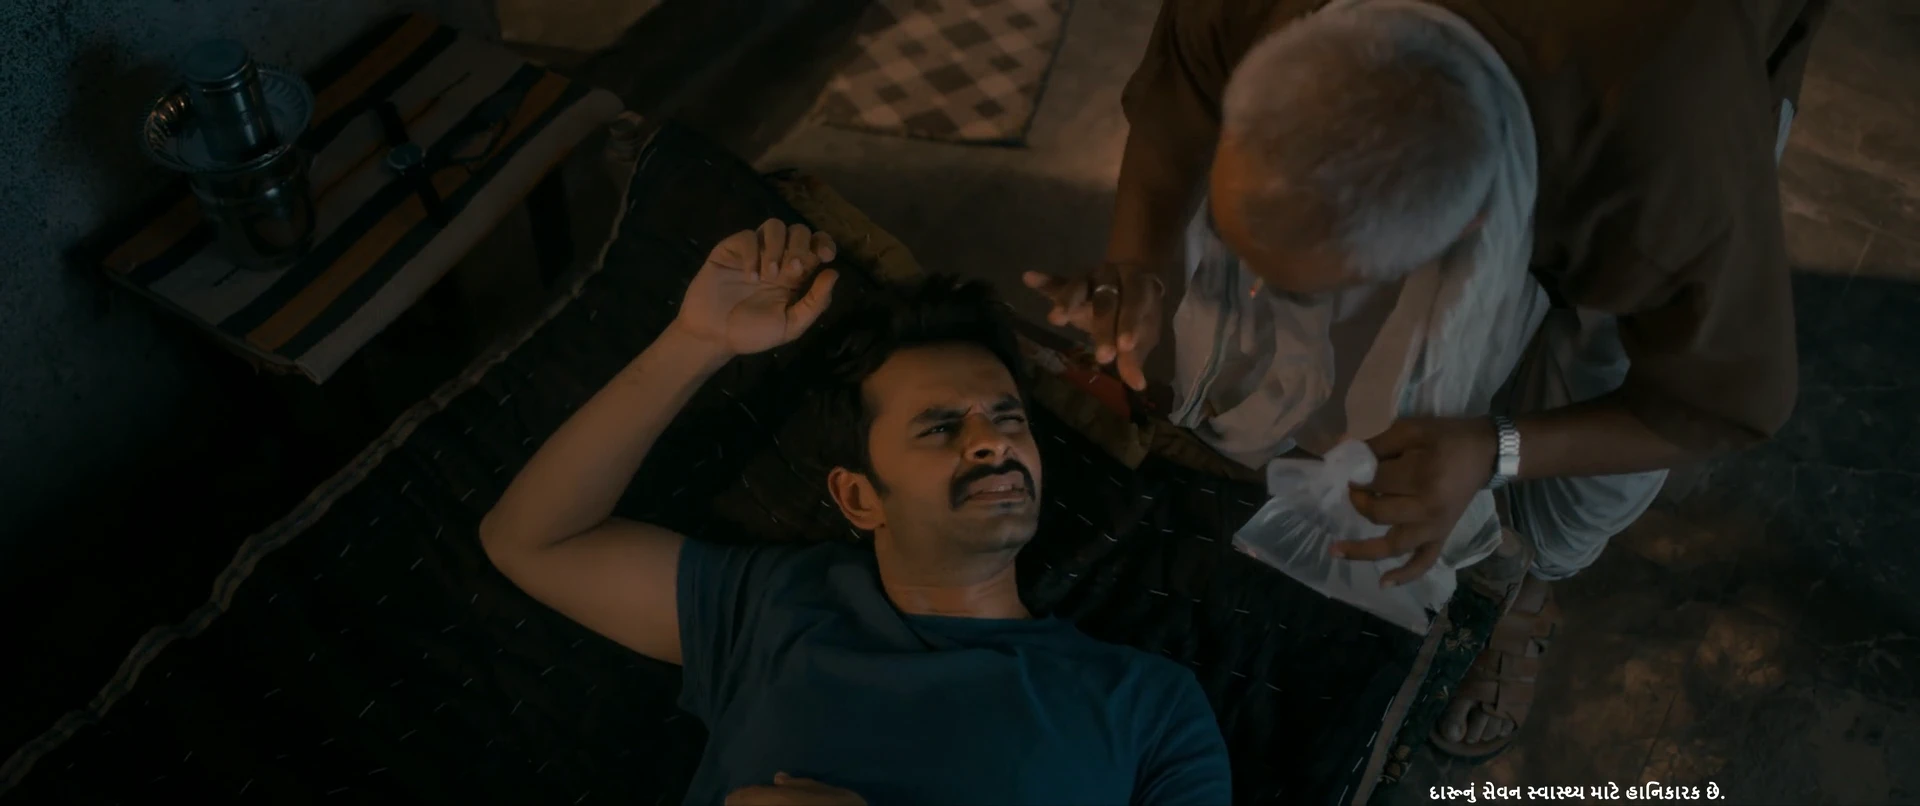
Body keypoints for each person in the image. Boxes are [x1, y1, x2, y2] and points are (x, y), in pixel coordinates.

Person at [1026, 0, 1825, 759]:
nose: (1258, 293)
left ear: (1470, 234)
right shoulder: (1248, 10)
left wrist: (1495, 449)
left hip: (1654, 107)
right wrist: (1138, 263)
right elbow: (1178, 101)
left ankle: (1526, 589)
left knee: (1593, 385)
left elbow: (1720, 406)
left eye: (1306, 290)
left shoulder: (1668, 184)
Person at [481, 219, 1232, 806]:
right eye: (941, 427)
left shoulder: (1148, 705)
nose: (992, 443)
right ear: (859, 497)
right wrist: (697, 342)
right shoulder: (774, 608)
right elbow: (532, 540)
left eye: (1008, 417)